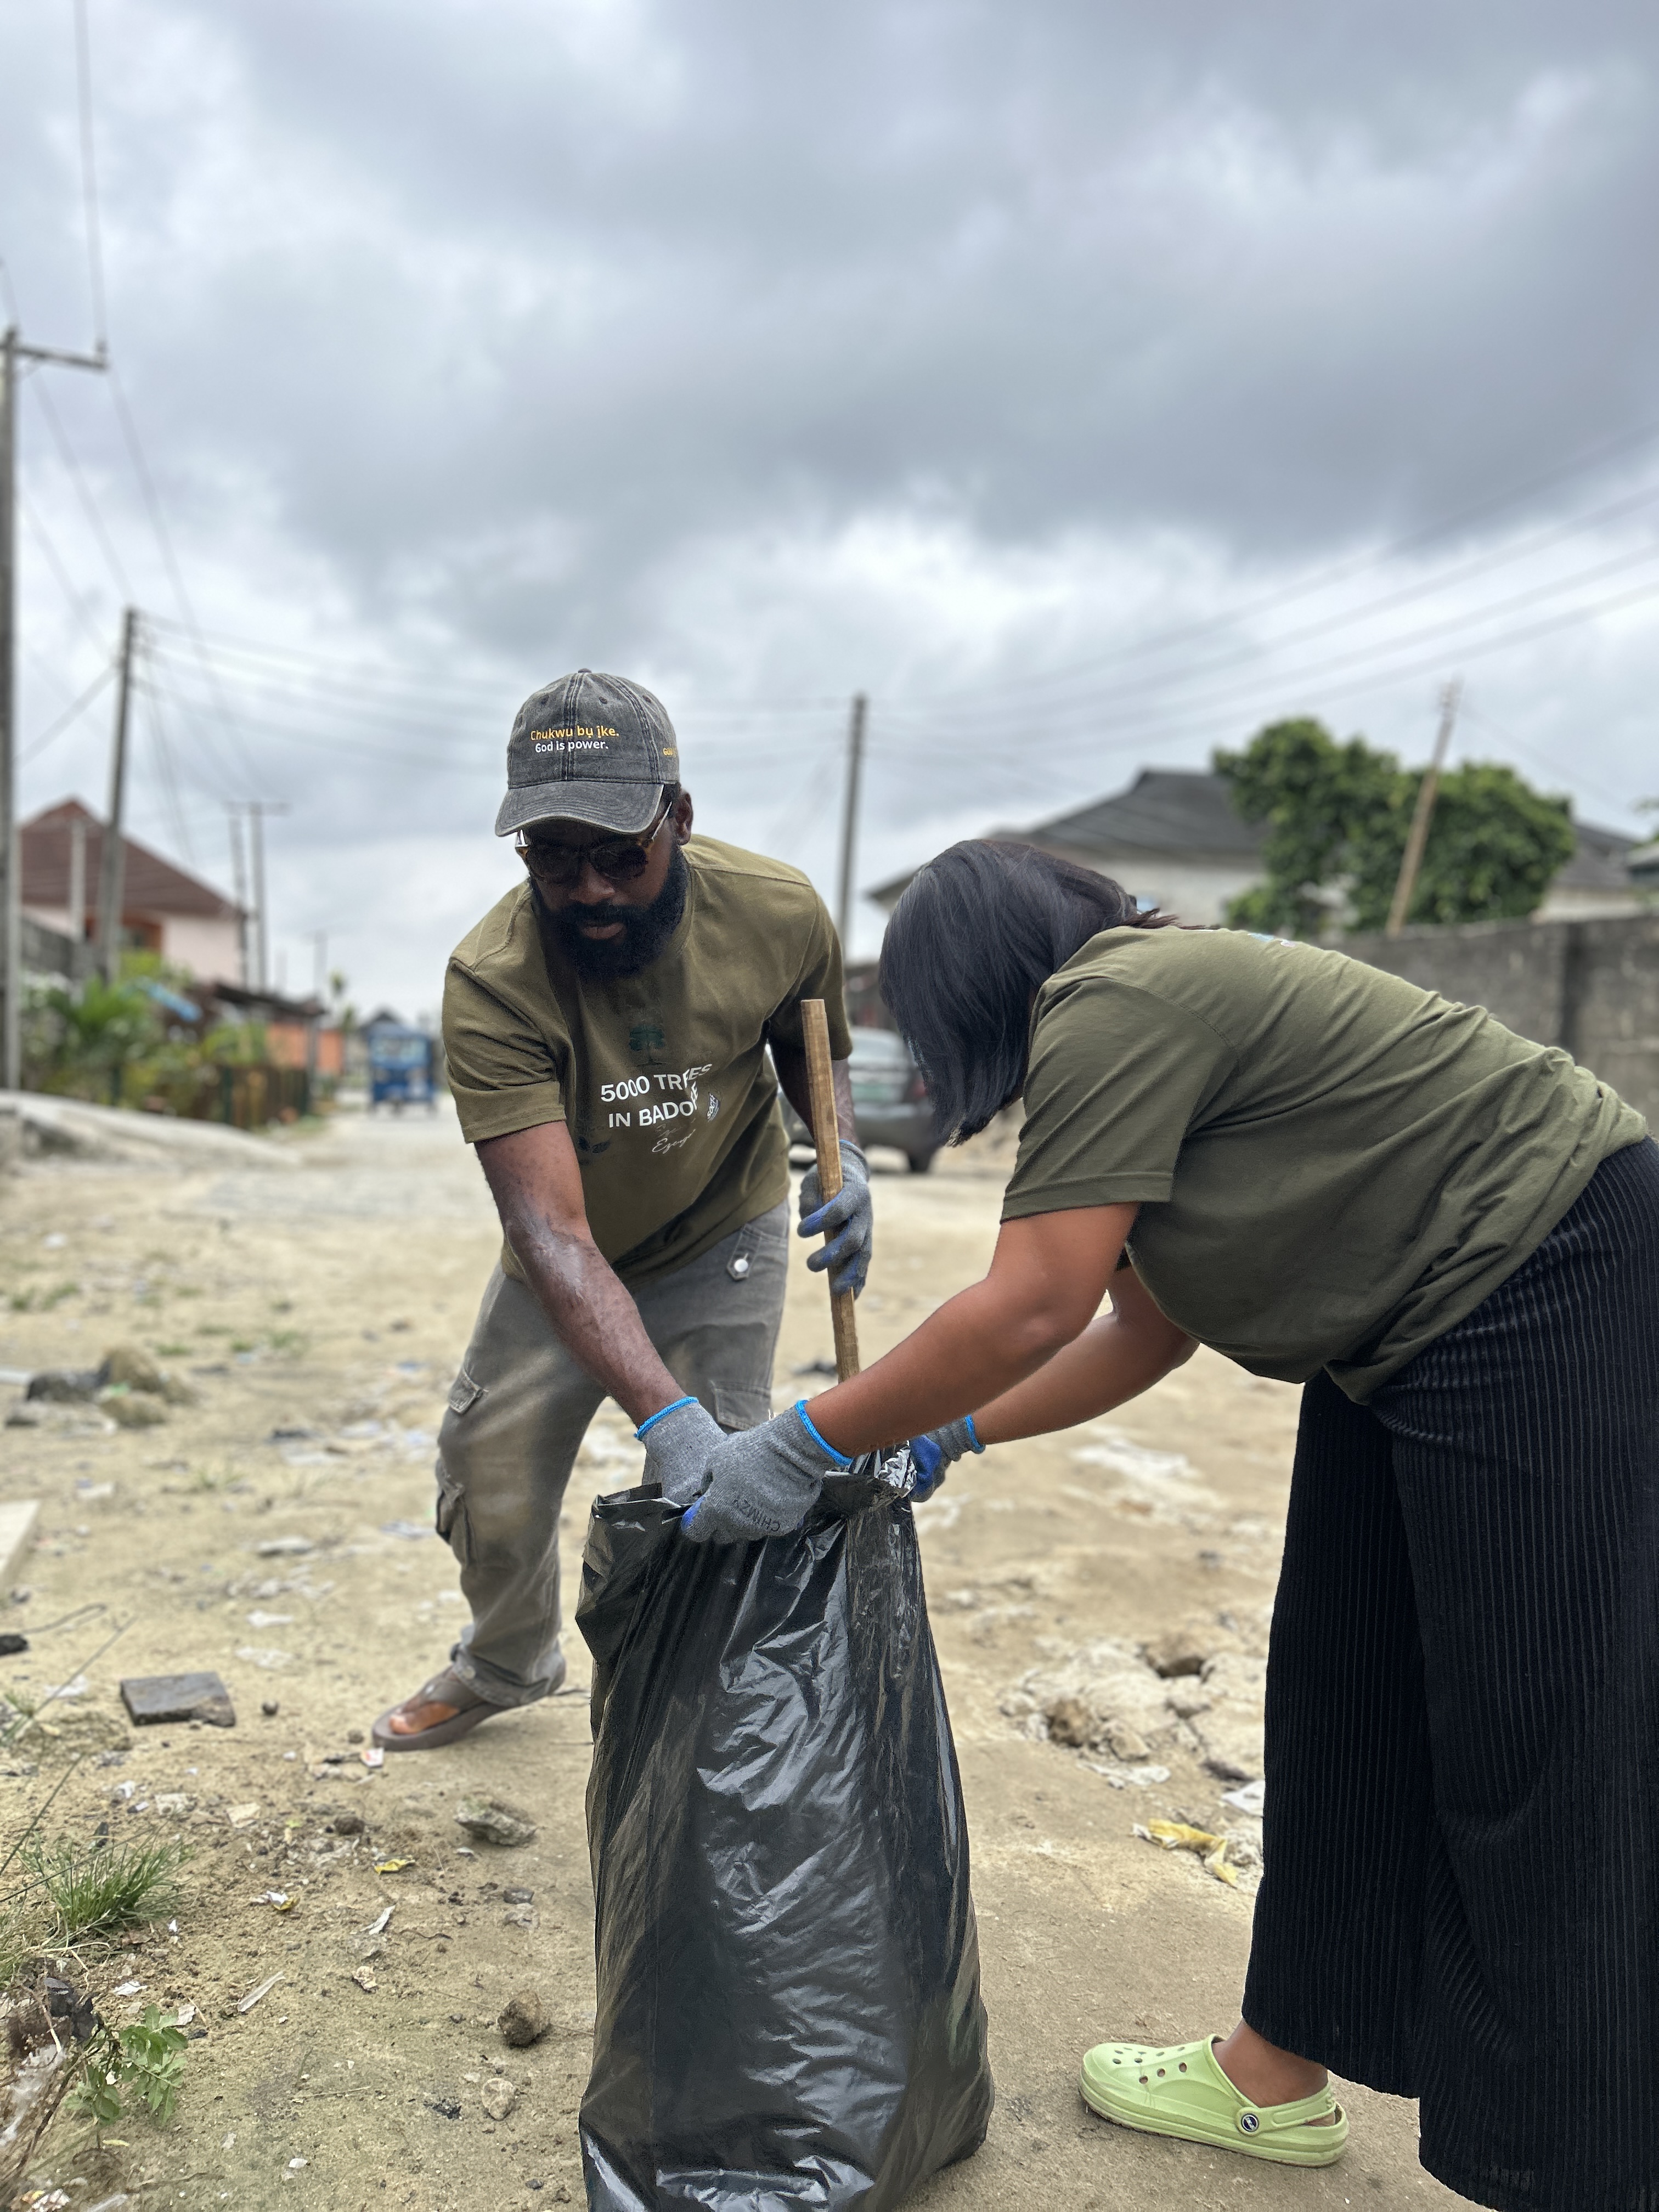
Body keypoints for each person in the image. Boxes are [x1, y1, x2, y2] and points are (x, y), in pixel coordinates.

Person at [654, 838, 1658, 2211]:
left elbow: (1030, 1303)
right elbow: (1148, 1327)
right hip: (1402, 1334)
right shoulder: (1147, 1029)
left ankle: (1578, 2166)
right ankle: (1271, 2076)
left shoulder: (1117, 1001)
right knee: (1341, 1692)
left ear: (970, 988)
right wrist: (952, 1429)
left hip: (1551, 1273)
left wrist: (809, 1440)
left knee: (1534, 1740)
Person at [372, 668, 869, 1749]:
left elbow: (810, 1051)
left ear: (677, 820)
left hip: (724, 1229)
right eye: (554, 856)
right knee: (486, 1474)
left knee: (716, 1495)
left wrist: (851, 1162)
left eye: (617, 855)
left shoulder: (778, 914)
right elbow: (549, 1230)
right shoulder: (493, 980)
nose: (588, 888)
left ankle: (673, 1709)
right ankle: (505, 1662)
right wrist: (662, 1412)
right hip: (570, 1255)